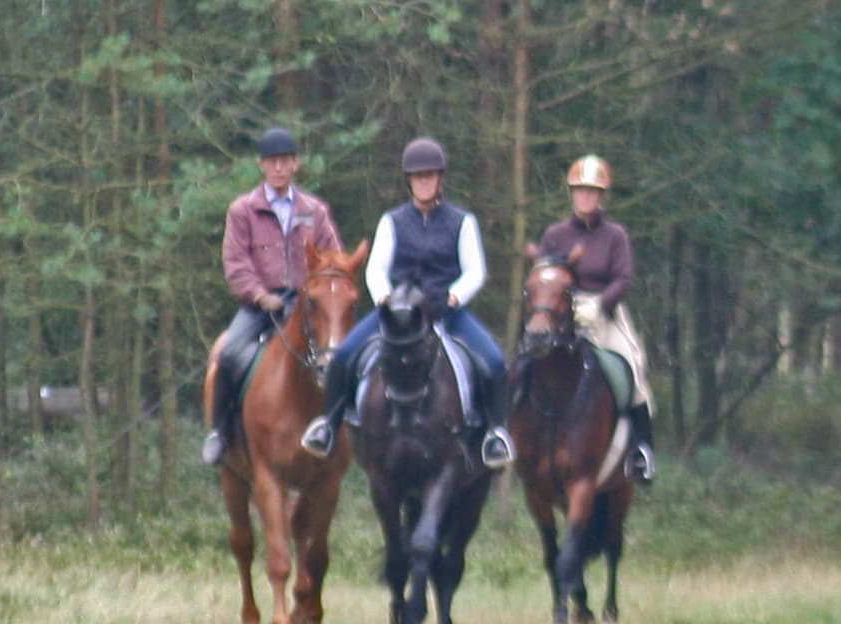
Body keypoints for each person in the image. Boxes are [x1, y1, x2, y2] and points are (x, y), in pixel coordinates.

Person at [301, 137, 512, 469]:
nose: (424, 181)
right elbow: (376, 270)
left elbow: (475, 270)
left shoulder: (462, 222)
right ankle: (327, 426)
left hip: (446, 311)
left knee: (495, 362)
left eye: (430, 175)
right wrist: (385, 298)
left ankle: (495, 435)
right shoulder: (392, 221)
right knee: (343, 356)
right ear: (409, 180)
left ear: (440, 178)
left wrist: (455, 295)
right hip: (398, 315)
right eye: (418, 176)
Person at [202, 127, 344, 468]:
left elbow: (333, 258)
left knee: (340, 355)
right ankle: (221, 432)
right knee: (230, 352)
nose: (279, 168)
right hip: (260, 306)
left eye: (285, 161)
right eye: (272, 162)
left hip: (307, 303)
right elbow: (236, 263)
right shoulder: (243, 211)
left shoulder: (315, 210)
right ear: (262, 166)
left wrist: (316, 292)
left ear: (296, 164)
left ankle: (339, 428)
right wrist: (259, 296)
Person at [531, 155, 657, 484]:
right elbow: (542, 273)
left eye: (593, 191)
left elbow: (623, 278)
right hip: (560, 312)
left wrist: (601, 303)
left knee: (635, 366)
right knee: (525, 362)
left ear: (601, 196)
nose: (586, 197)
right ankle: (514, 438)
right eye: (581, 191)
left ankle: (642, 451)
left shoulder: (615, 235)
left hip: (605, 313)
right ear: (572, 193)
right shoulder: (555, 234)